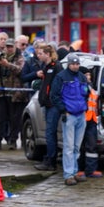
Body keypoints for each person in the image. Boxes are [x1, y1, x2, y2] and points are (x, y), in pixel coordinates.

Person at [51, 53, 89, 185]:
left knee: (76, 147)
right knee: (68, 146)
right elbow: (54, 96)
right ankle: (68, 174)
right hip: (70, 115)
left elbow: (86, 94)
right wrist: (64, 110)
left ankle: (74, 171)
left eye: (77, 64)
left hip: (80, 115)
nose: (75, 66)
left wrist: (84, 107)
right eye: (73, 64)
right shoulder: (61, 77)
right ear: (68, 64)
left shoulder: (82, 77)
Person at [0, 38, 28, 150]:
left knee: (14, 120)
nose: (9, 48)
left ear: (15, 47)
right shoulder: (1, 56)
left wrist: (7, 65)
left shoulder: (20, 58)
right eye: (7, 46)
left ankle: (12, 141)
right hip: (2, 92)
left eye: (11, 46)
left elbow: (20, 71)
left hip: (15, 94)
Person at [34, 43, 61, 172]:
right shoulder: (47, 67)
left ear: (48, 54)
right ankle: (49, 158)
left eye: (41, 53)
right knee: (49, 133)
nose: (38, 56)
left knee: (50, 133)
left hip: (52, 105)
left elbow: (57, 87)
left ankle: (51, 160)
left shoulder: (56, 67)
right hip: (47, 104)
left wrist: (51, 100)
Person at [77, 69, 102, 179]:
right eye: (86, 75)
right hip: (82, 119)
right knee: (80, 146)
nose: (88, 77)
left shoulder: (91, 86)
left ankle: (91, 170)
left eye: (89, 75)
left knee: (91, 146)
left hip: (91, 119)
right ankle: (79, 169)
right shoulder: (79, 86)